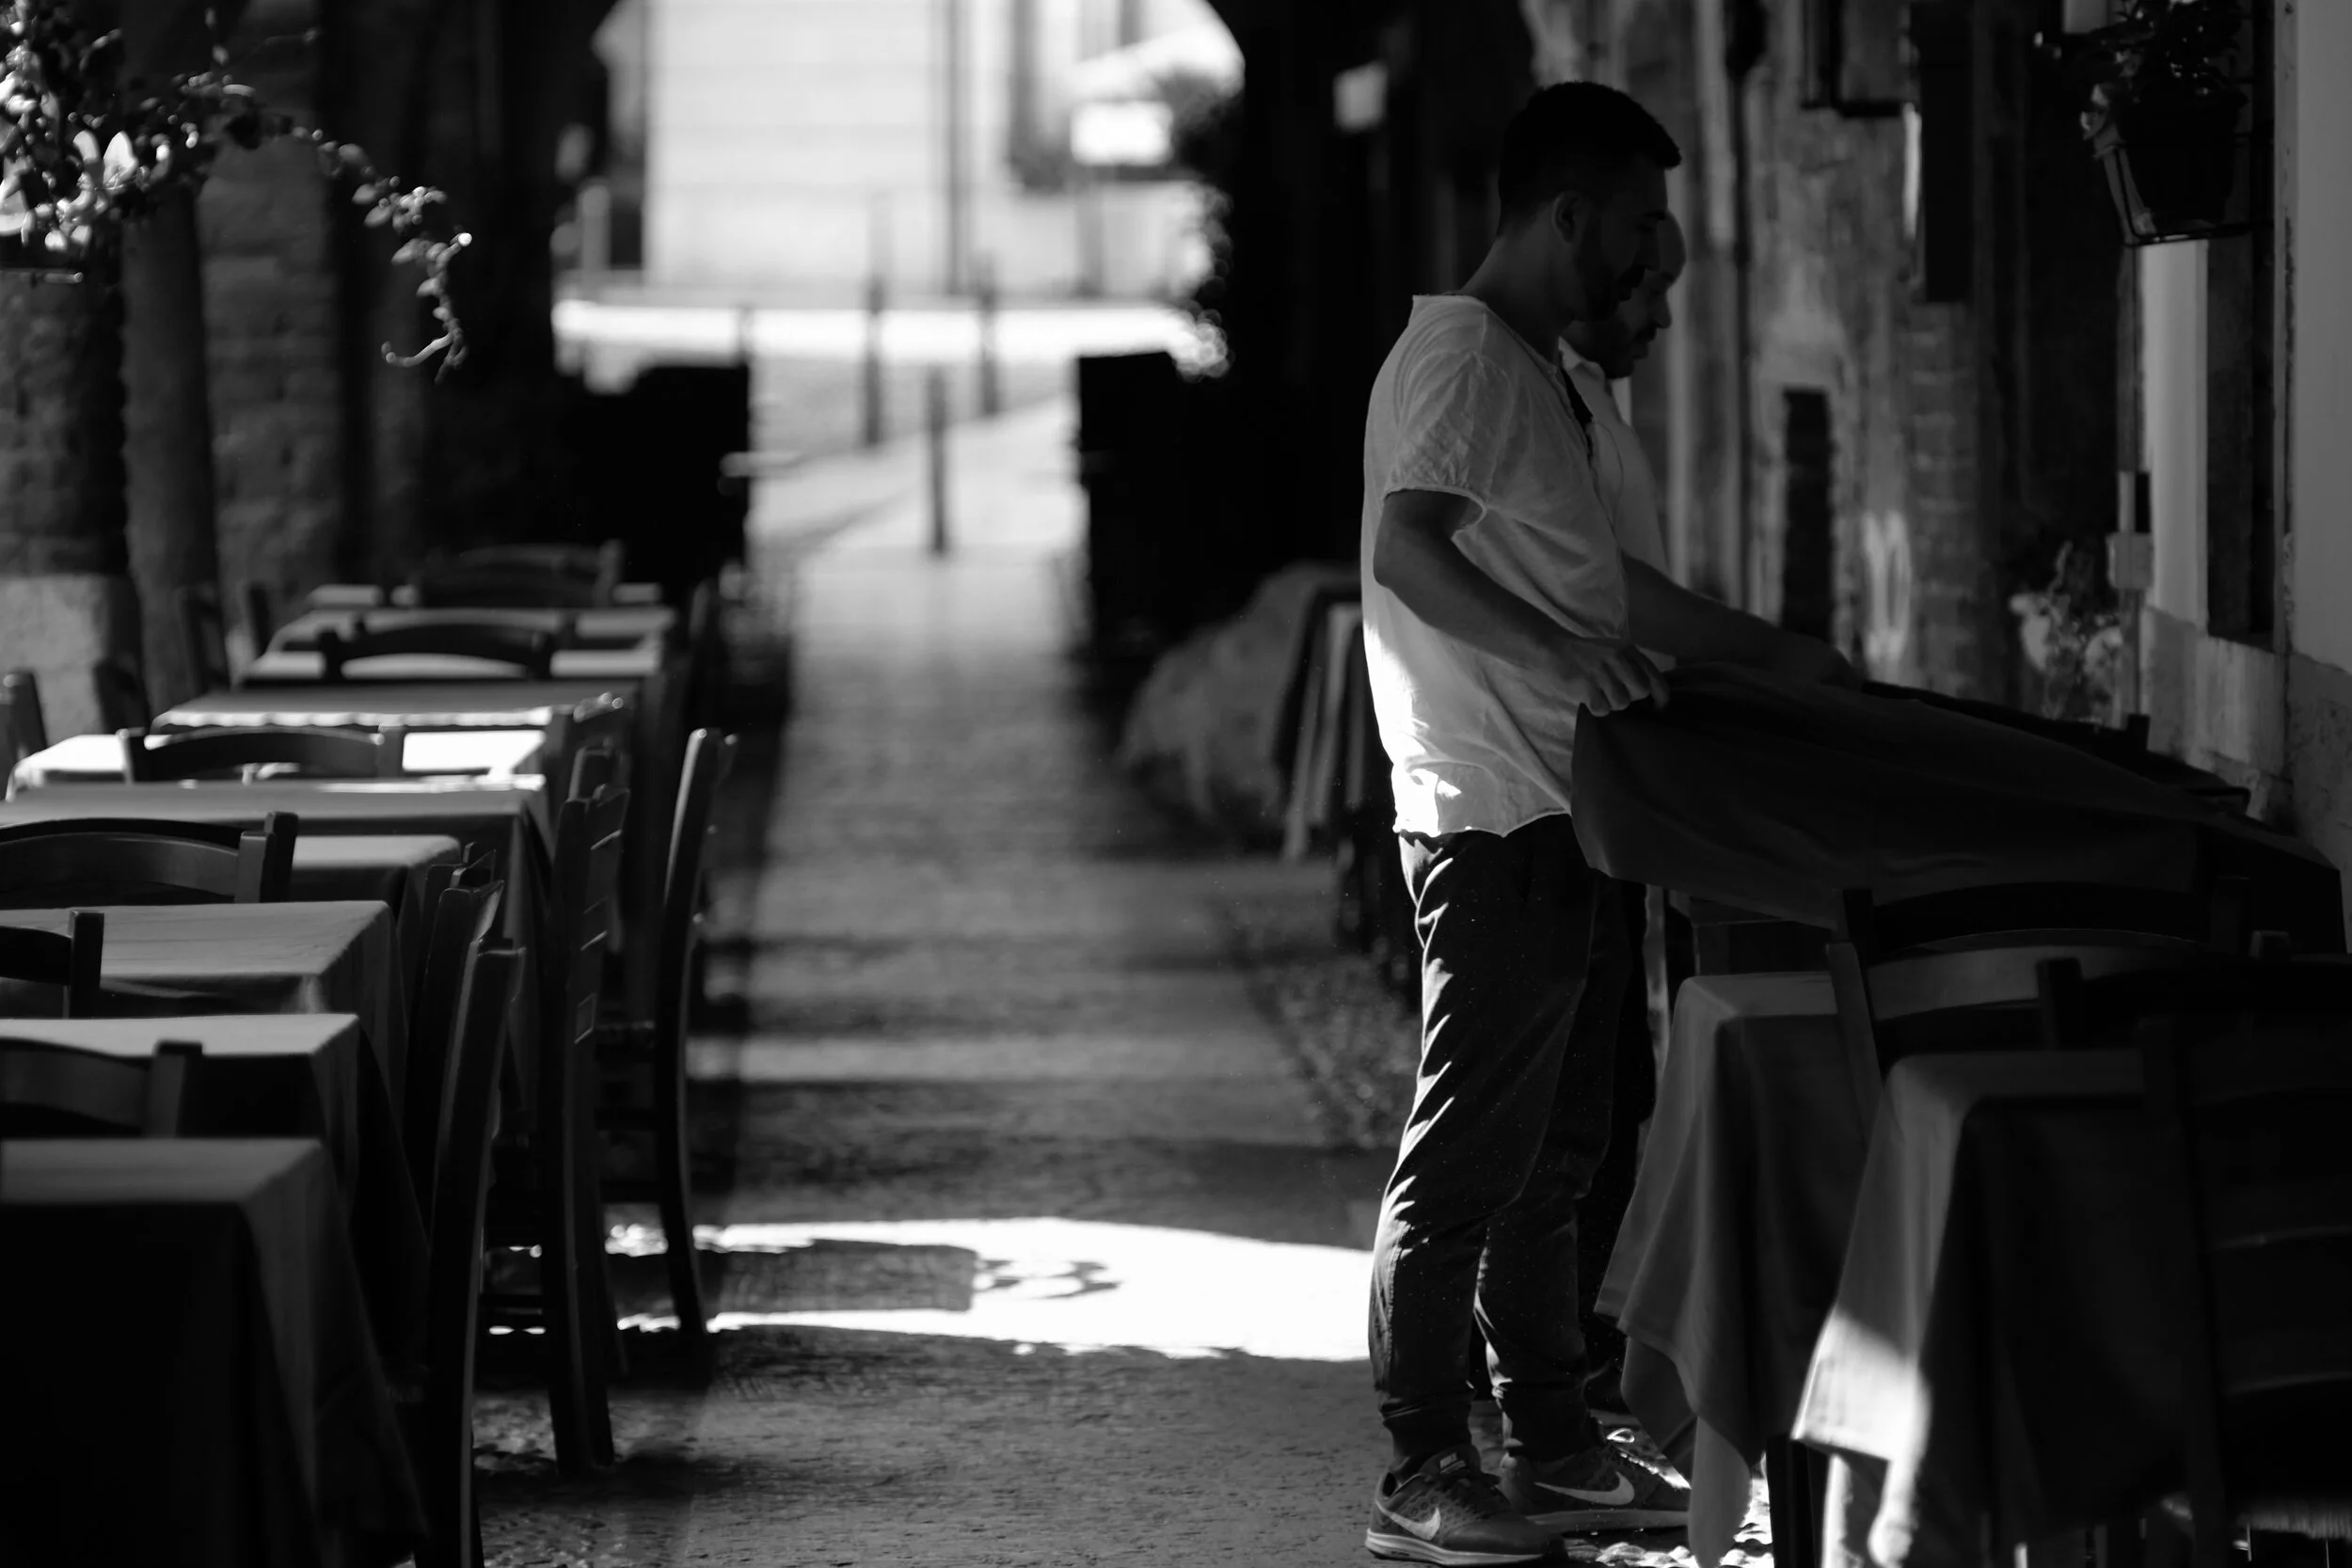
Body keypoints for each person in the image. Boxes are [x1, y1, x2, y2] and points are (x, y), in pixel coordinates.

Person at [1359, 85, 1851, 1567]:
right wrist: (1566, 660)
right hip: (1495, 811)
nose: (1650, 259)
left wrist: (1768, 653)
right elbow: (1405, 551)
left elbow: (1606, 590)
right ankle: (1420, 1466)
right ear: (1570, 216)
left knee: (1558, 1157)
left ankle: (1558, 1447)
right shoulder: (1463, 356)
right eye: (1639, 226)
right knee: (1469, 1156)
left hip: (1570, 806)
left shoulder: (1538, 375)